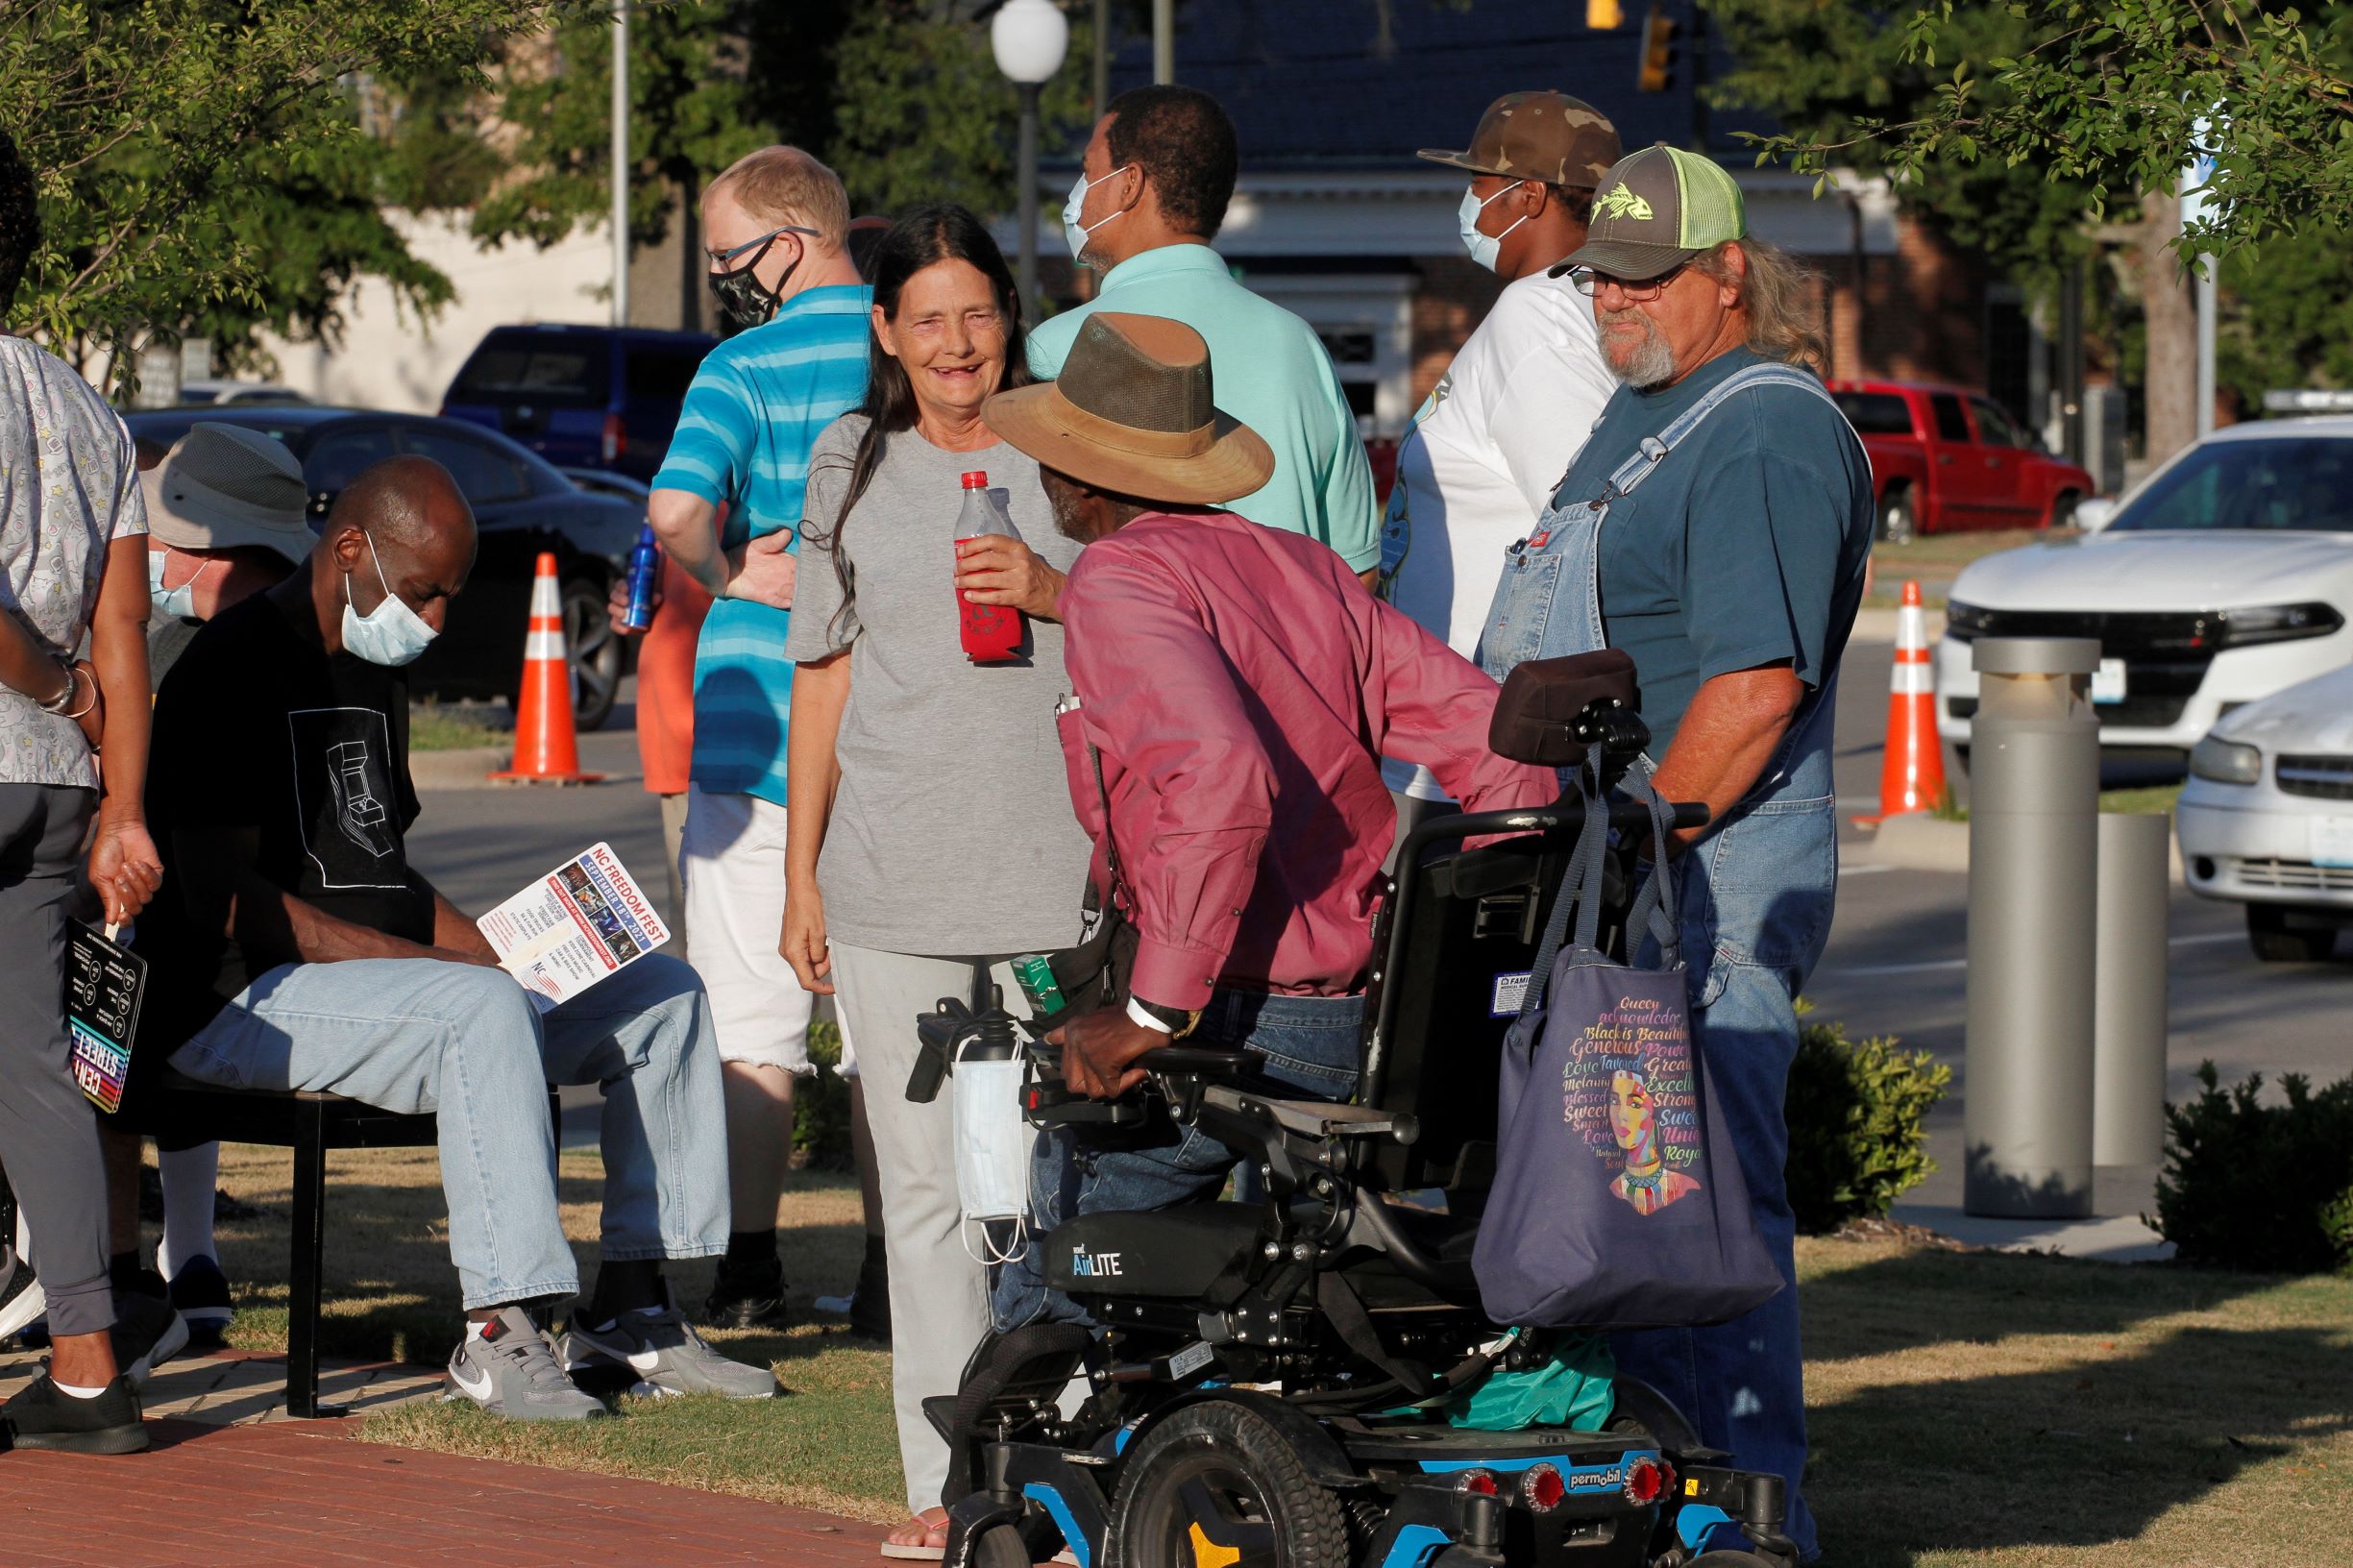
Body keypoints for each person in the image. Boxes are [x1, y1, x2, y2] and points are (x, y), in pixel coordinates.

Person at [136, 455, 776, 1419]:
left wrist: (500, 949)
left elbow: (382, 870)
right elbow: (224, 904)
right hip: (239, 1001)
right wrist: (450, 974)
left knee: (661, 994)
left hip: (396, 998)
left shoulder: (374, 667)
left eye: (449, 597)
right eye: (423, 592)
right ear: (350, 547)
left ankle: (636, 1310)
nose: (435, 620)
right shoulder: (228, 667)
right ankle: (498, 1331)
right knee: (478, 1009)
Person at [979, 311, 1557, 1334]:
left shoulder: (1118, 578)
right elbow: (1499, 744)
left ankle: (997, 1489)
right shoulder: (1302, 568)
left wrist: (1153, 1012)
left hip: (1233, 1013)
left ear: (1077, 479)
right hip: (1354, 1011)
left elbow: (1217, 775)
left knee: (1068, 1276)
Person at [1477, 143, 1873, 1563]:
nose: (1613, 302)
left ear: (1727, 273)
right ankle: (1648, 1505)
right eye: (1599, 277)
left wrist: (1639, 864)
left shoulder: (1759, 427)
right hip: (1617, 877)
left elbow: (1752, 688)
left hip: (1694, 885)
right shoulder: (1654, 407)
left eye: (1646, 276)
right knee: (1624, 1211)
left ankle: (1748, 1525)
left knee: (1701, 1209)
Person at [777, 205, 1091, 1561]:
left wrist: (1046, 583)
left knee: (1050, 1196)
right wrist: (800, 878)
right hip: (891, 884)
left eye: (978, 314)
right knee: (921, 1202)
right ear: (885, 332)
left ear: (1007, 323)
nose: (956, 344)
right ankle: (946, 1486)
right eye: (929, 318)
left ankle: (1064, 1472)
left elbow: (1154, 615)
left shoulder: (1068, 451)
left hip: (1055, 886)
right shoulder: (848, 461)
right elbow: (823, 678)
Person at [647, 145, 872, 1330]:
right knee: (901, 1013)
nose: (730, 279)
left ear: (790, 241)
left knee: (749, 1014)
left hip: (756, 715)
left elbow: (676, 509)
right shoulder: (911, 343)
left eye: (735, 256)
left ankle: (748, 1266)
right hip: (890, 719)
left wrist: (737, 570)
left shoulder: (740, 366)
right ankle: (899, 1265)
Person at [0, 127, 177, 1454]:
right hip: (58, 794)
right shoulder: (82, 405)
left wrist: (54, 689)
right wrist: (122, 801)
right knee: (35, 1074)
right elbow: (132, 632)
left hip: (34, 728)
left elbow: (70, 660)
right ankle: (84, 1361)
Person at [113, 422, 316, 1352]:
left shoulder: (222, 641)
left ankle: (154, 1257)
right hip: (185, 914)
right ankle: (167, 1257)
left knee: (114, 1015)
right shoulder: (231, 626)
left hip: (207, 926)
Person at [1381, 91, 1622, 820]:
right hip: (1465, 732)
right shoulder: (1567, 307)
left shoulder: (1537, 324)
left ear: (1530, 195)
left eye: (1478, 186)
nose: (1468, 204)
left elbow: (1585, 527)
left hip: (1470, 743)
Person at [1031, 85, 1381, 584]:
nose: (1078, 195)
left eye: (1088, 173)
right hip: (1293, 656)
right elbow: (1358, 571)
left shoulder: (1058, 347)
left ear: (1129, 185)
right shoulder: (1297, 344)